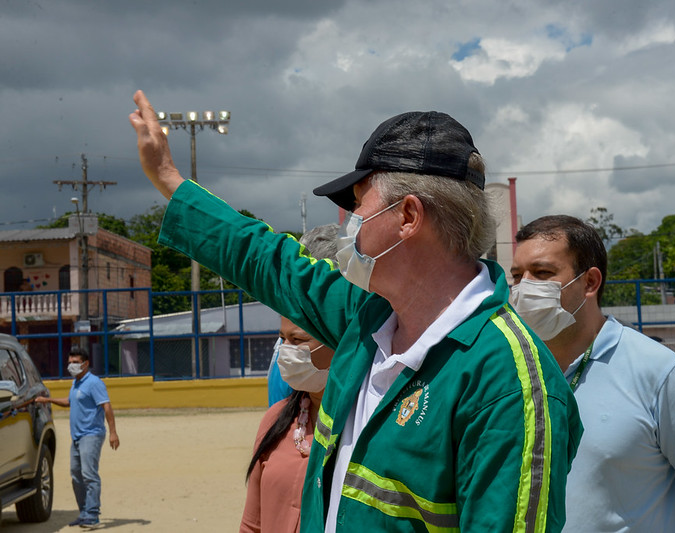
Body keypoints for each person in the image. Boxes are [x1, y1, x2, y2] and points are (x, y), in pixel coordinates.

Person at [130, 90, 581, 532]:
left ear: (408, 216)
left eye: (359, 204)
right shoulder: (365, 318)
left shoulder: (509, 381)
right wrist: (169, 178)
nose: (349, 224)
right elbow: (271, 261)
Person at [509, 215, 675, 532]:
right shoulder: (510, 368)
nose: (524, 288)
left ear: (590, 283)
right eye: (517, 276)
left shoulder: (658, 371)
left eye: (542, 273)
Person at [241, 224, 339, 533]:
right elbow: (253, 522)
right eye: (283, 339)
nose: (286, 351)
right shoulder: (277, 418)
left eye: (297, 340)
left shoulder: (371, 422)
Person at [36, 346, 120, 529]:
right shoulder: (76, 382)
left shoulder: (94, 382)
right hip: (77, 437)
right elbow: (70, 401)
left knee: (89, 475)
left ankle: (92, 515)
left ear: (86, 363)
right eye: (69, 363)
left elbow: (106, 406)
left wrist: (113, 432)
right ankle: (84, 512)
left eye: (75, 363)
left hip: (91, 435)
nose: (71, 366)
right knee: (76, 474)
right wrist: (47, 400)